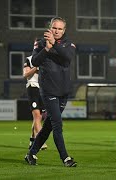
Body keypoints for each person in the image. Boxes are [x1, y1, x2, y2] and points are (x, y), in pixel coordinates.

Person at [24, 17, 77, 167]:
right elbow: (34, 61)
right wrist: (46, 49)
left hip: (64, 91)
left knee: (48, 126)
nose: (57, 31)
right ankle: (65, 158)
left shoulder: (69, 44)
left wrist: (53, 44)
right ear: (50, 27)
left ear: (64, 30)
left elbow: (67, 58)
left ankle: (31, 153)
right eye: (54, 28)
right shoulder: (40, 43)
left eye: (60, 29)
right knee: (57, 124)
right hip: (48, 91)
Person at [23, 55, 47, 150]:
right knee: (37, 115)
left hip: (42, 89)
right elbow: (25, 74)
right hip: (32, 87)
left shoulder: (46, 59)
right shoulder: (29, 59)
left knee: (39, 117)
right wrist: (36, 67)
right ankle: (41, 141)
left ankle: (32, 140)